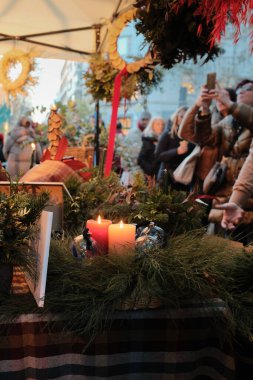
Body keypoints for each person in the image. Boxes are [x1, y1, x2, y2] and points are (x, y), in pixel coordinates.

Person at [178, 79, 253, 243]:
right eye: (239, 88)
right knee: (223, 255)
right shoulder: (227, 122)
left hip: (249, 202)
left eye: (247, 88)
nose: (241, 91)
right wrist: (202, 106)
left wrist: (229, 104)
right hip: (225, 200)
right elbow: (190, 134)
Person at [155, 106, 195, 191]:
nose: (184, 119)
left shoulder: (193, 136)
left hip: (184, 179)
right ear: (176, 117)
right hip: (167, 178)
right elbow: (158, 155)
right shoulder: (168, 134)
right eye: (181, 116)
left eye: (187, 117)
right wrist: (176, 151)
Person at [120, 110, 152, 186]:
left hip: (148, 169)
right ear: (139, 119)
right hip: (133, 169)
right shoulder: (132, 133)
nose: (145, 122)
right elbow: (124, 150)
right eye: (143, 119)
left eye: (147, 120)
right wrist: (125, 166)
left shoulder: (151, 134)